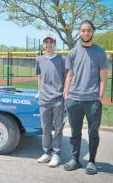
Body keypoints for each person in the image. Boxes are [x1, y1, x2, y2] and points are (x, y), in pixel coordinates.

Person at [63, 20, 109, 175]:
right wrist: (66, 93)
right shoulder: (73, 52)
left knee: (93, 133)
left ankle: (92, 161)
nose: (86, 33)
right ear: (79, 32)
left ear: (92, 32)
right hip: (74, 99)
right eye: (83, 30)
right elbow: (70, 75)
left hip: (92, 100)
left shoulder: (99, 52)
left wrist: (99, 98)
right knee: (75, 132)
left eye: (89, 30)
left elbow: (104, 78)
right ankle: (75, 159)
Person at [35, 34, 65, 168]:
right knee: (45, 128)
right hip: (44, 99)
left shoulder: (62, 59)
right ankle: (47, 152)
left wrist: (65, 93)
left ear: (55, 44)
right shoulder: (39, 59)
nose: (48, 44)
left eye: (51, 42)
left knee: (58, 128)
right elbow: (39, 77)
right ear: (43, 44)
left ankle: (56, 154)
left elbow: (67, 77)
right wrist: (39, 91)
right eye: (46, 42)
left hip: (58, 98)